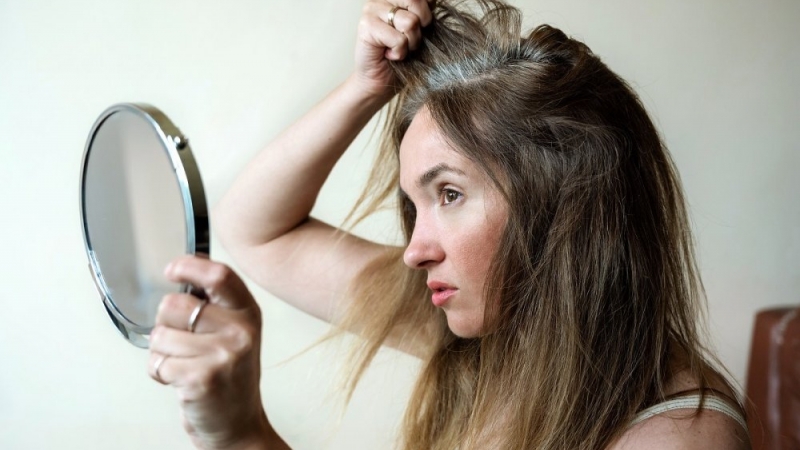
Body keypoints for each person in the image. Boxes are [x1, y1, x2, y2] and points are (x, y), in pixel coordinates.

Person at [147, 1, 752, 448]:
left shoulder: (678, 436)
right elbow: (255, 229)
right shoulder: (487, 338)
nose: (414, 251)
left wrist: (242, 435)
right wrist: (367, 86)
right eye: (415, 205)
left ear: (564, 202)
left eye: (451, 194)